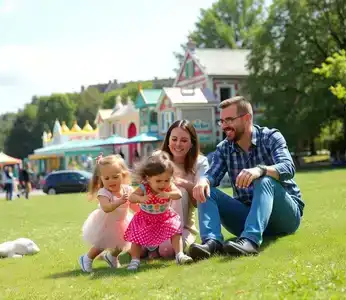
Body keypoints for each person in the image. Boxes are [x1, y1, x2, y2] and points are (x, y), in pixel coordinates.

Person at [190, 96, 304, 259]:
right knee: (207, 190)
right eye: (221, 121)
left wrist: (260, 170)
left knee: (264, 180)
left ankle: (250, 241)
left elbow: (288, 167)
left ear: (247, 118)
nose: (224, 126)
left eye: (229, 120)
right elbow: (212, 174)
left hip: (285, 217)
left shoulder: (271, 137)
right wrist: (203, 180)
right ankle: (212, 242)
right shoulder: (224, 148)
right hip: (246, 216)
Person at [147, 120, 209, 259]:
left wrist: (182, 183)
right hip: (154, 222)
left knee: (167, 251)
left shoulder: (200, 162)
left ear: (192, 143)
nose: (178, 144)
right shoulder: (158, 158)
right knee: (138, 244)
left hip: (183, 226)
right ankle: (151, 247)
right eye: (174, 139)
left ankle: (163, 246)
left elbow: (199, 201)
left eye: (184, 140)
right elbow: (145, 191)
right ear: (168, 140)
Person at [124, 151, 193, 270]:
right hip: (146, 219)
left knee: (176, 232)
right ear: (148, 178)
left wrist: (168, 194)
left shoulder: (169, 187)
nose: (163, 184)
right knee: (136, 238)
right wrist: (141, 198)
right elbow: (131, 197)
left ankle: (179, 254)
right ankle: (135, 260)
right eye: (158, 181)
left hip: (164, 217)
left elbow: (178, 194)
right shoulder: (144, 187)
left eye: (166, 180)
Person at [79, 155, 139, 273]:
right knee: (102, 244)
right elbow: (106, 208)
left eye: (115, 177)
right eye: (106, 178)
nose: (111, 181)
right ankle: (87, 258)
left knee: (122, 243)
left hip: (122, 221)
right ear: (101, 179)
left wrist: (143, 211)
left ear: (123, 175)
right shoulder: (104, 192)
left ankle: (111, 257)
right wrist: (119, 201)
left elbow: (133, 205)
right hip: (106, 222)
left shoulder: (127, 190)